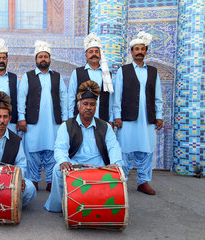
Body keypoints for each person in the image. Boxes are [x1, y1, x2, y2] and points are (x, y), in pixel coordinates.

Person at [44, 80, 123, 212]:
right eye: (85, 104)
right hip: (75, 165)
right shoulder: (67, 126)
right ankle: (58, 206)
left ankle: (107, 206)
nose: (88, 107)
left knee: (120, 168)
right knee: (57, 169)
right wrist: (63, 161)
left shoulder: (105, 126)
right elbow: (60, 147)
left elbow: (113, 147)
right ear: (79, 106)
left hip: (99, 166)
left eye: (92, 104)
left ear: (95, 107)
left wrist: (115, 163)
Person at [113, 31, 163, 195]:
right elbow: (117, 95)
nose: (139, 51)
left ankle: (143, 182)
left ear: (146, 51)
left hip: (147, 118)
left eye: (142, 49)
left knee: (146, 150)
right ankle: (122, 181)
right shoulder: (123, 70)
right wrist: (117, 116)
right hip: (127, 118)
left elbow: (158, 96)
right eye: (136, 49)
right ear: (132, 52)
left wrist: (159, 116)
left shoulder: (153, 72)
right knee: (125, 150)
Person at [17, 40, 68, 191]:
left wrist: (65, 119)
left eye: (46, 56)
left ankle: (51, 180)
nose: (43, 59)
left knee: (52, 150)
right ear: (36, 59)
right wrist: (21, 118)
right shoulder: (28, 76)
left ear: (50, 59)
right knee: (32, 151)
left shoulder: (57, 77)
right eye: (40, 56)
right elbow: (21, 98)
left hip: (54, 123)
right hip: (33, 122)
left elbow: (64, 98)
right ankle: (33, 180)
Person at [68, 33, 114, 126]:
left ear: (100, 55)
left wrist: (111, 119)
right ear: (86, 55)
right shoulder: (77, 73)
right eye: (91, 51)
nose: (94, 54)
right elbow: (71, 97)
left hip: (102, 119)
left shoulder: (107, 74)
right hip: (80, 120)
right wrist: (70, 118)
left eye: (96, 52)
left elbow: (111, 100)